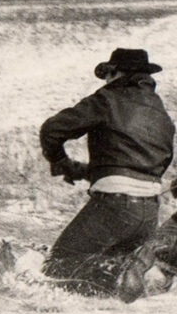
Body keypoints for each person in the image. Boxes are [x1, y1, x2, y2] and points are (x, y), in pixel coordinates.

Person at [39, 47, 175, 296]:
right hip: (148, 213)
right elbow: (141, 166)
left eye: (107, 75)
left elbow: (52, 129)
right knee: (101, 284)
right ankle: (135, 279)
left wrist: (60, 161)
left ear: (116, 73)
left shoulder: (108, 98)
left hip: (114, 207)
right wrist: (87, 171)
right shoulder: (161, 114)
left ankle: (119, 278)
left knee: (57, 269)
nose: (105, 81)